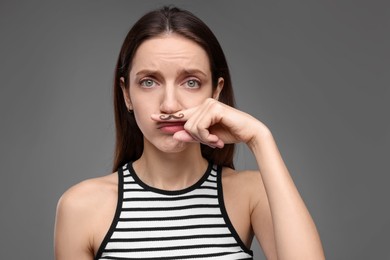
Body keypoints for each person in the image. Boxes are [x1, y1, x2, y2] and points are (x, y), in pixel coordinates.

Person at [54, 6, 325, 260]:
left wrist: (260, 138)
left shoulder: (251, 194)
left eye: (191, 82)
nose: (169, 105)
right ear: (126, 94)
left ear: (216, 92)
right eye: (149, 82)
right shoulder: (80, 207)